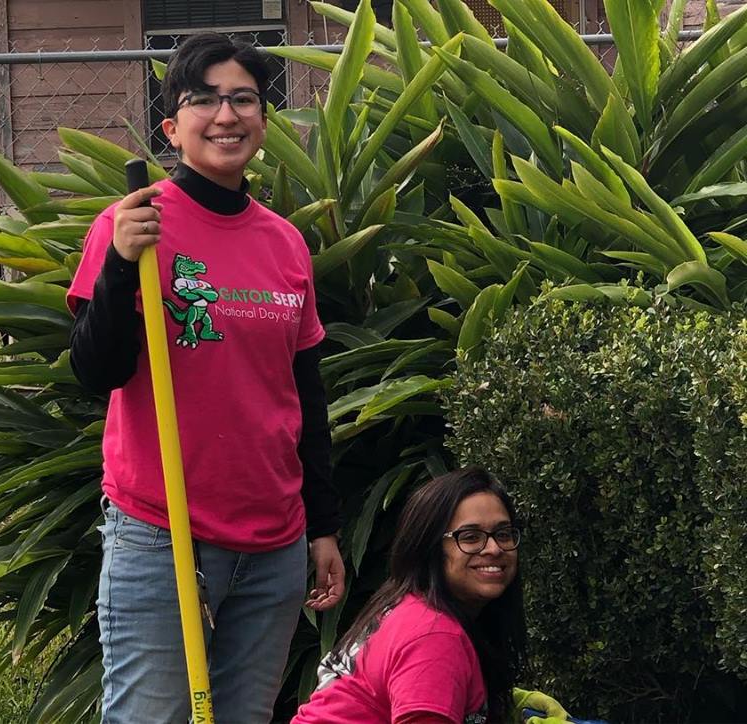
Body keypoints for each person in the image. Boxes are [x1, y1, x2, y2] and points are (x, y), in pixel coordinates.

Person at [67, 32, 345, 724]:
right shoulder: (133, 224)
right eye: (205, 100)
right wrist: (119, 268)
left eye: (243, 99)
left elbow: (305, 396)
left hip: (275, 541)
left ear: (265, 120)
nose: (226, 115)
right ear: (172, 125)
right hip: (164, 534)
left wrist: (322, 527)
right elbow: (94, 370)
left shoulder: (284, 243)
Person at [291, 467, 570, 724]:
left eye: (504, 533)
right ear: (430, 547)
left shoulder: (409, 607)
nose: (494, 548)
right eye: (470, 537)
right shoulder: (434, 637)